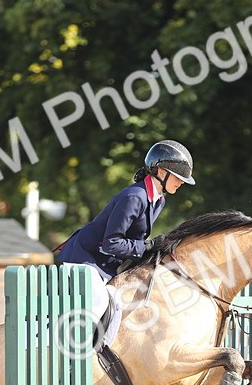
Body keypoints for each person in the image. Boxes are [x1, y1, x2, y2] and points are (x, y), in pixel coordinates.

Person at [56, 140, 195, 340]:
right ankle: (75, 356)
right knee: (99, 302)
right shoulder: (134, 197)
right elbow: (112, 242)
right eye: (179, 177)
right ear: (161, 172)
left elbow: (132, 240)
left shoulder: (158, 200)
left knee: (119, 305)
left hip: (104, 264)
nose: (182, 182)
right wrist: (145, 247)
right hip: (85, 260)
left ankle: (101, 355)